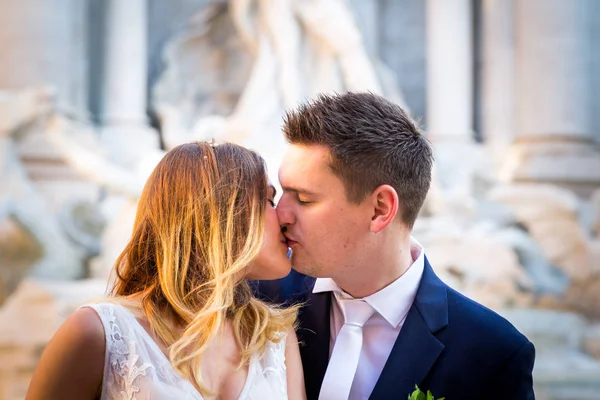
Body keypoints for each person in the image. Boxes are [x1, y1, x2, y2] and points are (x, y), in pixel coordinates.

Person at [258, 92, 535, 400]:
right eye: (283, 192)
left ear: (380, 209)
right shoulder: (258, 301)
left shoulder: (491, 353)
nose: (280, 213)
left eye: (305, 199)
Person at [26, 142, 306, 400]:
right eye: (269, 201)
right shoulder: (97, 332)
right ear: (221, 214)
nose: (283, 215)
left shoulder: (276, 340)